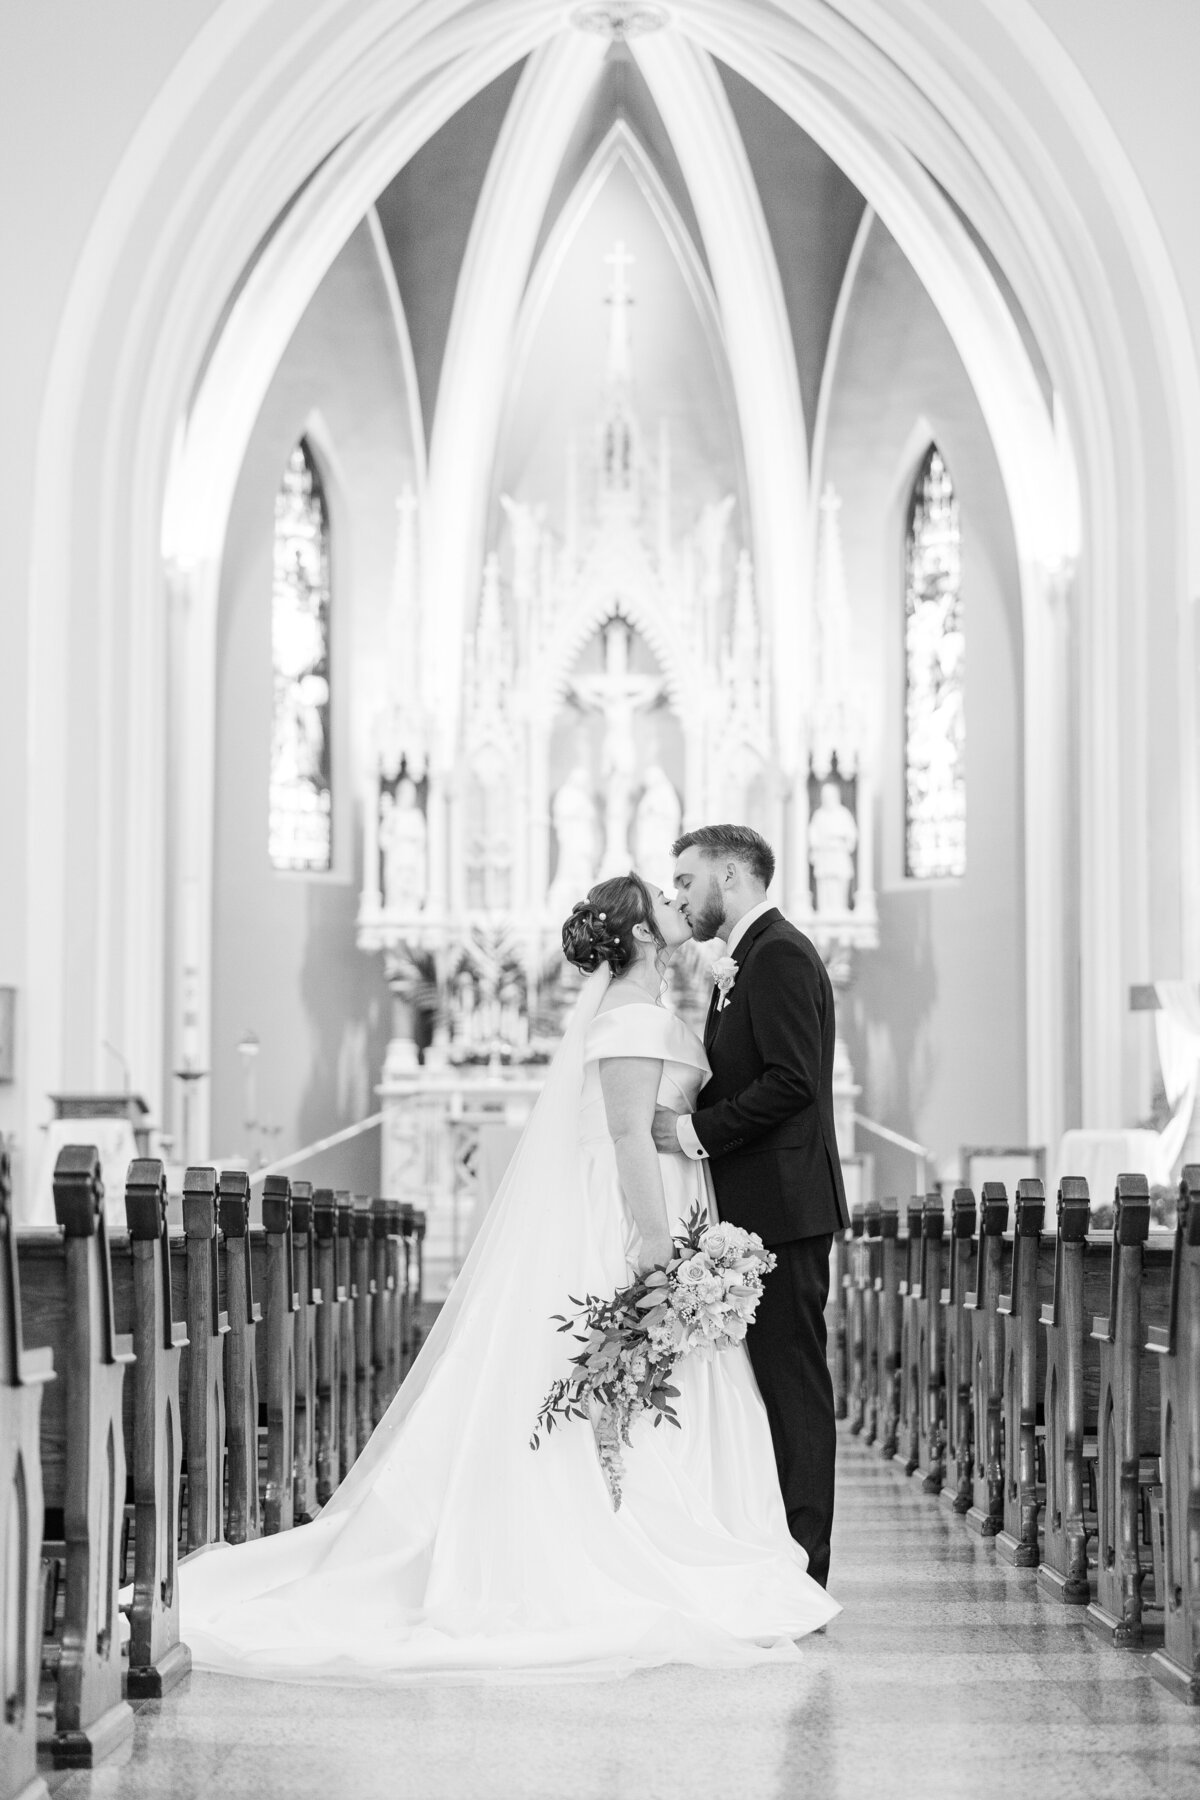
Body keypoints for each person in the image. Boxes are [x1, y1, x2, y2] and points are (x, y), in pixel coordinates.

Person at [179, 871, 837, 1681]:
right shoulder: (631, 1017)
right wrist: (657, 1245)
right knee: (625, 1374)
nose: (677, 907)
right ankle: (633, 1535)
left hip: (670, 1198)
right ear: (636, 936)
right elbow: (632, 1137)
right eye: (663, 903)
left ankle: (692, 1529)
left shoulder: (648, 1008)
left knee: (658, 1380)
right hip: (637, 1214)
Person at [652, 824, 850, 1588]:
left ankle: (806, 1566)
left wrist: (695, 1131)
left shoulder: (780, 955)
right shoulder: (752, 957)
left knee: (793, 1380)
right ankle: (781, 1550)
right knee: (771, 1379)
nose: (678, 895)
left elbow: (793, 1080)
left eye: (685, 878)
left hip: (786, 1206)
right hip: (762, 1202)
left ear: (730, 875)